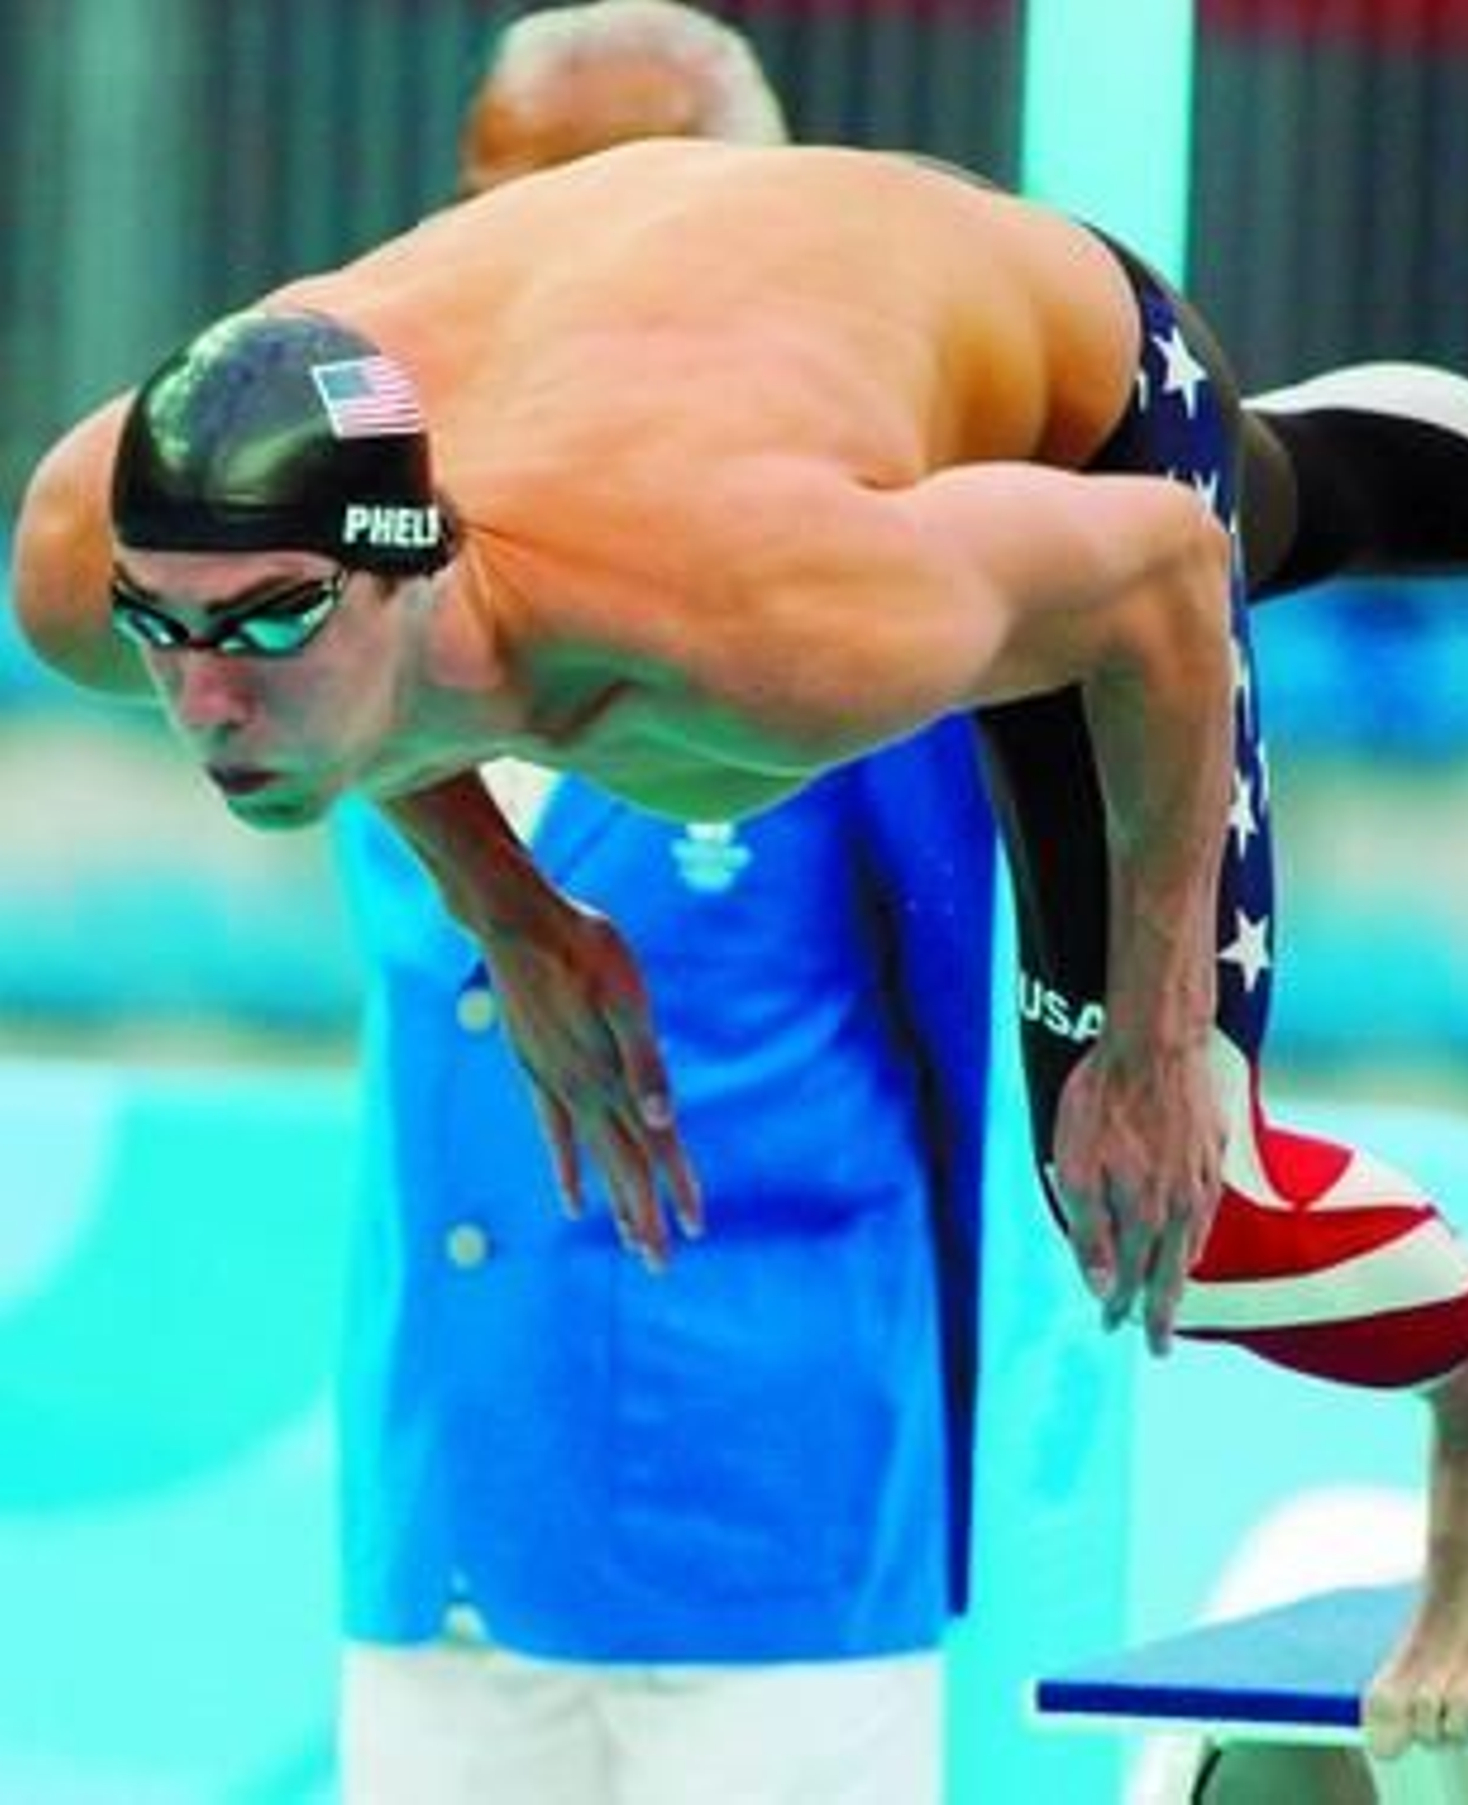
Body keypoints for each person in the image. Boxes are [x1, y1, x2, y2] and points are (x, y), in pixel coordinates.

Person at [14, 107, 1468, 1760]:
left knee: (1182, 1208)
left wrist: (1148, 1029)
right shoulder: (96, 566)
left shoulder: (757, 617)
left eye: (263, 623)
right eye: (164, 628)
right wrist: (518, 910)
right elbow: (332, 688)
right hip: (706, 304)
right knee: (1287, 506)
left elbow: (1161, 572)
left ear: (412, 575)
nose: (202, 697)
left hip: (1062, 395)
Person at [335, 7, 996, 1800]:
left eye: (603, 205)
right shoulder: (345, 566)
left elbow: (974, 1042)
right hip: (439, 1518)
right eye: (491, 207)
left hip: (766, 1535)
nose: (528, 265)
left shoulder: (877, 577)